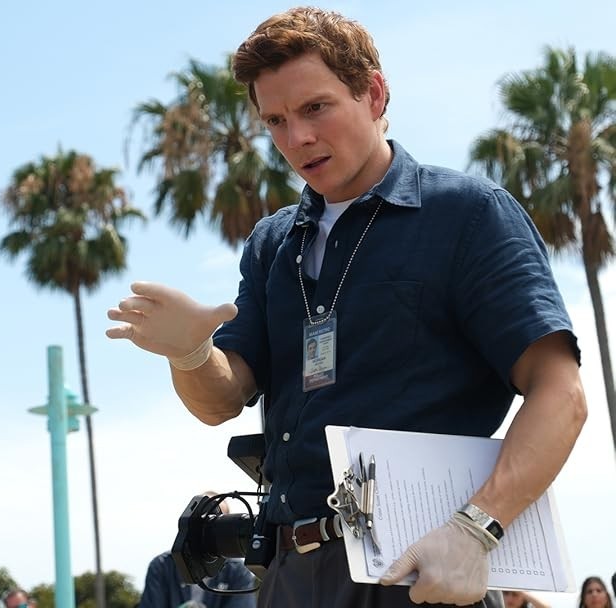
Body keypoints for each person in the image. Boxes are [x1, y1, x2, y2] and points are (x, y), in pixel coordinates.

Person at [106, 6, 586, 607]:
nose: (296, 139)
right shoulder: (272, 243)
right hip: (288, 573)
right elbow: (219, 401)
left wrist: (477, 529)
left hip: (418, 571)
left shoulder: (467, 213)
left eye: (315, 108)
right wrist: (190, 353)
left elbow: (561, 393)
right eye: (275, 120)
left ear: (374, 94)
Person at [137, 497, 256, 608]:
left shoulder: (237, 571)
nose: (208, 532)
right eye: (202, 523)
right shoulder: (162, 565)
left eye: (218, 524)